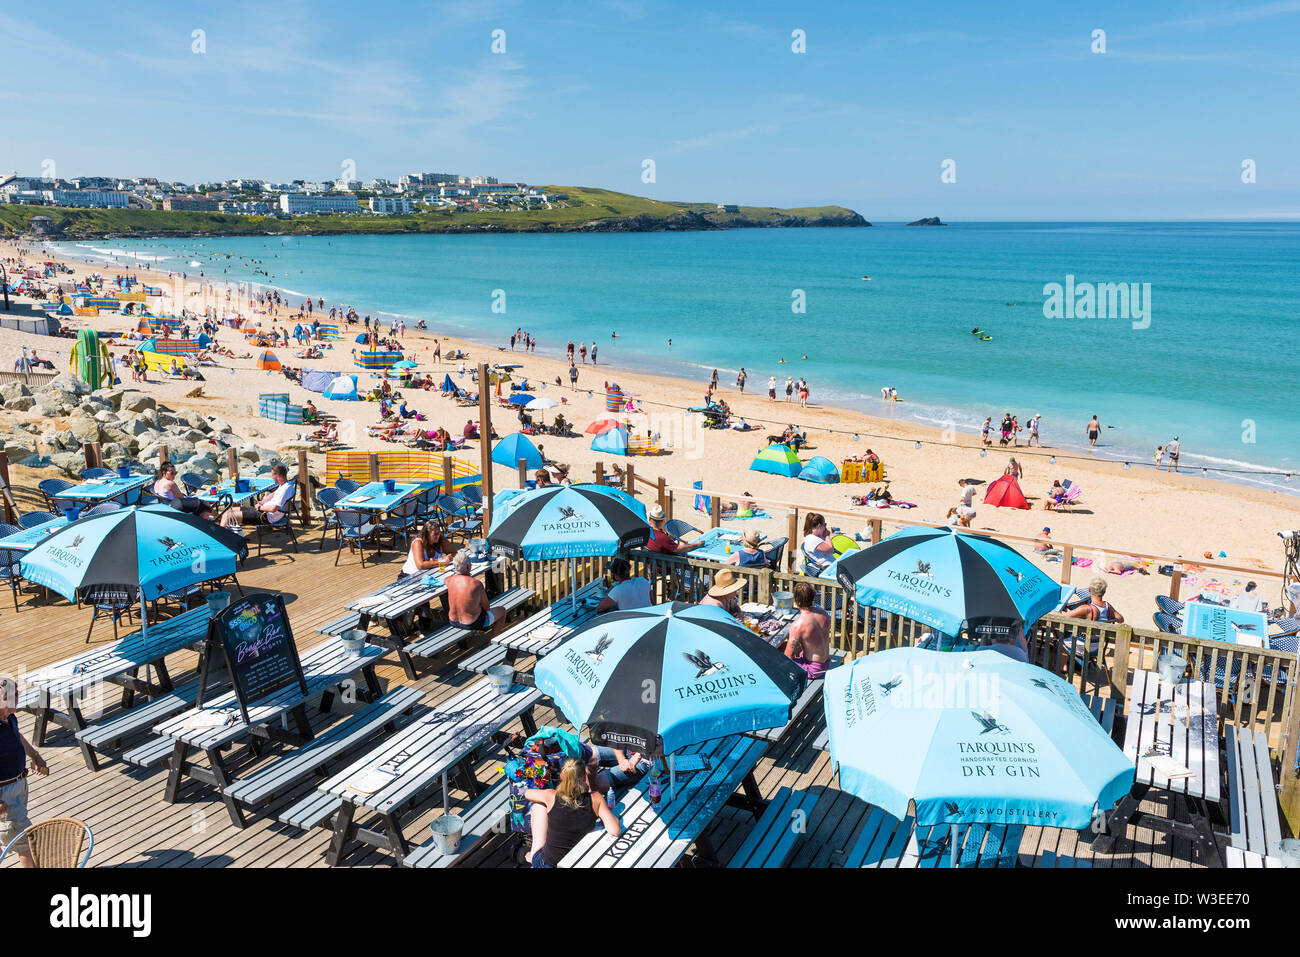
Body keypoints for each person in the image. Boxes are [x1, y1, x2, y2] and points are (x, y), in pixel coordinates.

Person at [525, 757, 621, 868]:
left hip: (549, 863)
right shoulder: (595, 799)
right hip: (576, 861)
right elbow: (615, 830)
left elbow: (528, 794)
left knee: (538, 805)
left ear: (562, 777)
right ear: (584, 777)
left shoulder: (551, 796)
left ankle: (533, 853)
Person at [1, 675, 48, 868]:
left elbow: (17, 736)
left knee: (10, 834)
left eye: (17, 693)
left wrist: (34, 755)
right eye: (8, 695)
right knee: (26, 842)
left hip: (19, 784)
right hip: (4, 795)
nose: (15, 698)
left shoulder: (10, 717)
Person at [445, 548, 506, 637]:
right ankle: (492, 643)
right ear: (468, 567)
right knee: (502, 611)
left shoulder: (449, 580)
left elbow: (446, 580)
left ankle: (467, 639)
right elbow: (487, 607)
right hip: (472, 623)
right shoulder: (476, 584)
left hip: (453, 621)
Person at [219, 464, 294, 533]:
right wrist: (264, 501)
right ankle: (232, 535)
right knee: (229, 511)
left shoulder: (285, 490)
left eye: (272, 475)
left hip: (267, 517)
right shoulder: (286, 485)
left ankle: (220, 539)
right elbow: (273, 494)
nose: (271, 477)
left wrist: (260, 507)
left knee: (228, 516)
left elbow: (273, 509)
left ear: (277, 476)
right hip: (265, 511)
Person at [785, 581, 833, 678]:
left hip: (813, 669)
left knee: (778, 660)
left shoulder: (798, 625)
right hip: (825, 662)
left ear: (796, 601)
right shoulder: (823, 614)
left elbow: (787, 657)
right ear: (813, 597)